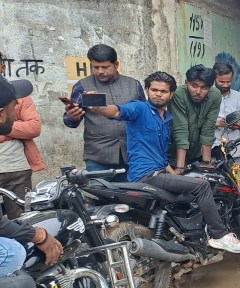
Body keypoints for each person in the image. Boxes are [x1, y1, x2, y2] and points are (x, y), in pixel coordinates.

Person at [86, 71, 240, 254]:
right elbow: (117, 111)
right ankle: (220, 235)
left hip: (161, 172)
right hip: (146, 176)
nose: (158, 94)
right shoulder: (139, 109)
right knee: (202, 186)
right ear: (147, 90)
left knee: (189, 196)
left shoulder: (165, 119)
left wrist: (175, 172)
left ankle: (190, 241)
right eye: (154, 90)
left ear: (171, 94)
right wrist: (98, 107)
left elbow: (160, 156)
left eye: (163, 91)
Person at [0, 77, 63, 274]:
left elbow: (33, 128)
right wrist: (40, 236)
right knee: (14, 251)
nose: (17, 105)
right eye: (14, 103)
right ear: (1, 114)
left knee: (19, 216)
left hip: (16, 169)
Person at [63, 44, 144, 180]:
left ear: (116, 64)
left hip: (132, 155)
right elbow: (70, 122)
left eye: (105, 67)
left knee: (132, 198)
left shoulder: (133, 85)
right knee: (98, 197)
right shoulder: (82, 86)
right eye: (95, 67)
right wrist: (72, 117)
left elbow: (144, 116)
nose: (99, 71)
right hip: (98, 157)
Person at [0, 52, 44, 219]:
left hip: (17, 169)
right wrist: (14, 132)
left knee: (22, 219)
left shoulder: (20, 94)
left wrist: (5, 129)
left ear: (3, 67)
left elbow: (34, 127)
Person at [168, 65, 221, 171]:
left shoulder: (215, 96)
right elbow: (180, 130)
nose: (198, 91)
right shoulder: (178, 95)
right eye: (194, 86)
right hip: (173, 155)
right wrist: (179, 168)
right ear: (186, 83)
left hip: (195, 155)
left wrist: (206, 163)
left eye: (204, 87)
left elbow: (208, 129)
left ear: (209, 88)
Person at [212, 62, 240, 164]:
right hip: (214, 151)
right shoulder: (206, 97)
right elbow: (197, 124)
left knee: (239, 180)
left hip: (237, 151)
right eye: (221, 82)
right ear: (214, 79)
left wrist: (239, 125)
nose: (225, 85)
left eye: (229, 82)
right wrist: (215, 124)